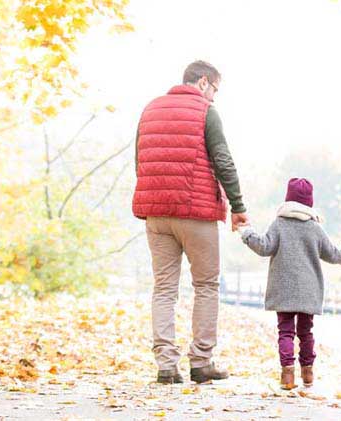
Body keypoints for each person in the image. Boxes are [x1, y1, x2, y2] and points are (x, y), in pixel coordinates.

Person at [132, 60, 248, 384]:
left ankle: (166, 365)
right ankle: (201, 361)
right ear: (202, 83)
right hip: (195, 213)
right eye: (214, 89)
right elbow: (222, 159)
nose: (213, 97)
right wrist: (238, 206)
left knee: (165, 288)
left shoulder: (150, 109)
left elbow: (139, 161)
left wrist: (156, 196)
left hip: (156, 213)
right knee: (206, 285)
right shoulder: (205, 111)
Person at [238, 178, 341, 389]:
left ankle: (287, 375)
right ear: (309, 203)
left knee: (285, 331)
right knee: (306, 332)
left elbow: (264, 247)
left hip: (283, 289)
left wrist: (246, 233)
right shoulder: (315, 228)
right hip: (308, 291)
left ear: (287, 199)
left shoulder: (279, 224)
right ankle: (308, 373)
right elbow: (334, 254)